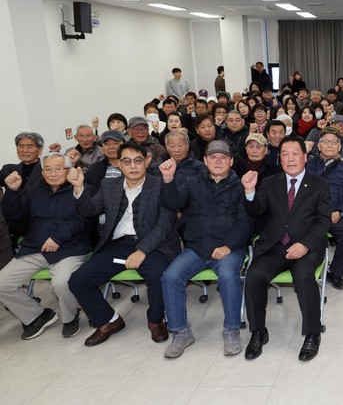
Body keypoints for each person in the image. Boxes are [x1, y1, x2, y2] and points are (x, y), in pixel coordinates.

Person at [67, 142, 180, 346]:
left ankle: (156, 320)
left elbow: (165, 224)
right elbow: (90, 210)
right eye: (127, 161)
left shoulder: (161, 184)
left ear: (147, 161)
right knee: (78, 280)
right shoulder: (109, 185)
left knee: (158, 274)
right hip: (118, 244)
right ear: (119, 164)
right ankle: (109, 320)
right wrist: (78, 188)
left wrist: (142, 250)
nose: (133, 166)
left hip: (154, 244)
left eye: (138, 160)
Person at [157, 140, 252, 358]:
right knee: (170, 276)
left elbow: (246, 222)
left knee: (228, 276)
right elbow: (173, 204)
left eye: (223, 158)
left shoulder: (241, 186)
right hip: (197, 248)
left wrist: (228, 246)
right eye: (213, 157)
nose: (218, 161)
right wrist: (168, 180)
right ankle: (181, 332)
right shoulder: (193, 182)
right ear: (205, 161)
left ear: (231, 162)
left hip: (228, 249)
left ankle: (231, 330)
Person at [242, 136, 331, 362]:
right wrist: (250, 191)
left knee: (303, 277)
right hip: (275, 247)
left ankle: (312, 333)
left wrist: (305, 245)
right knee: (254, 276)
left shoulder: (319, 185)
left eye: (295, 154)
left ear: (305, 157)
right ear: (279, 158)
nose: (290, 159)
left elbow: (324, 221)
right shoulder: (270, 182)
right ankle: (258, 332)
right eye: (284, 154)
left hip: (305, 247)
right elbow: (256, 211)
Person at [0, 153, 91, 339]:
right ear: (42, 172)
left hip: (70, 248)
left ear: (69, 170)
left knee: (61, 283)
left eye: (58, 169)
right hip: (36, 248)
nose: (53, 173)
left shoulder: (81, 188)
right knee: (3, 283)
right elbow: (14, 215)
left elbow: (83, 218)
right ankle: (37, 315)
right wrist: (13, 192)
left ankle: (70, 317)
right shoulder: (33, 190)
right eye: (48, 169)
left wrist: (58, 238)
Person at [305, 127, 343, 291]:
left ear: (339, 147)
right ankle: (307, 270)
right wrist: (304, 154)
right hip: (311, 214)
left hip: (336, 213)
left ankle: (335, 272)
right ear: (318, 146)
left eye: (334, 142)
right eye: (325, 142)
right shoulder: (307, 163)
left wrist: (340, 212)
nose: (329, 145)